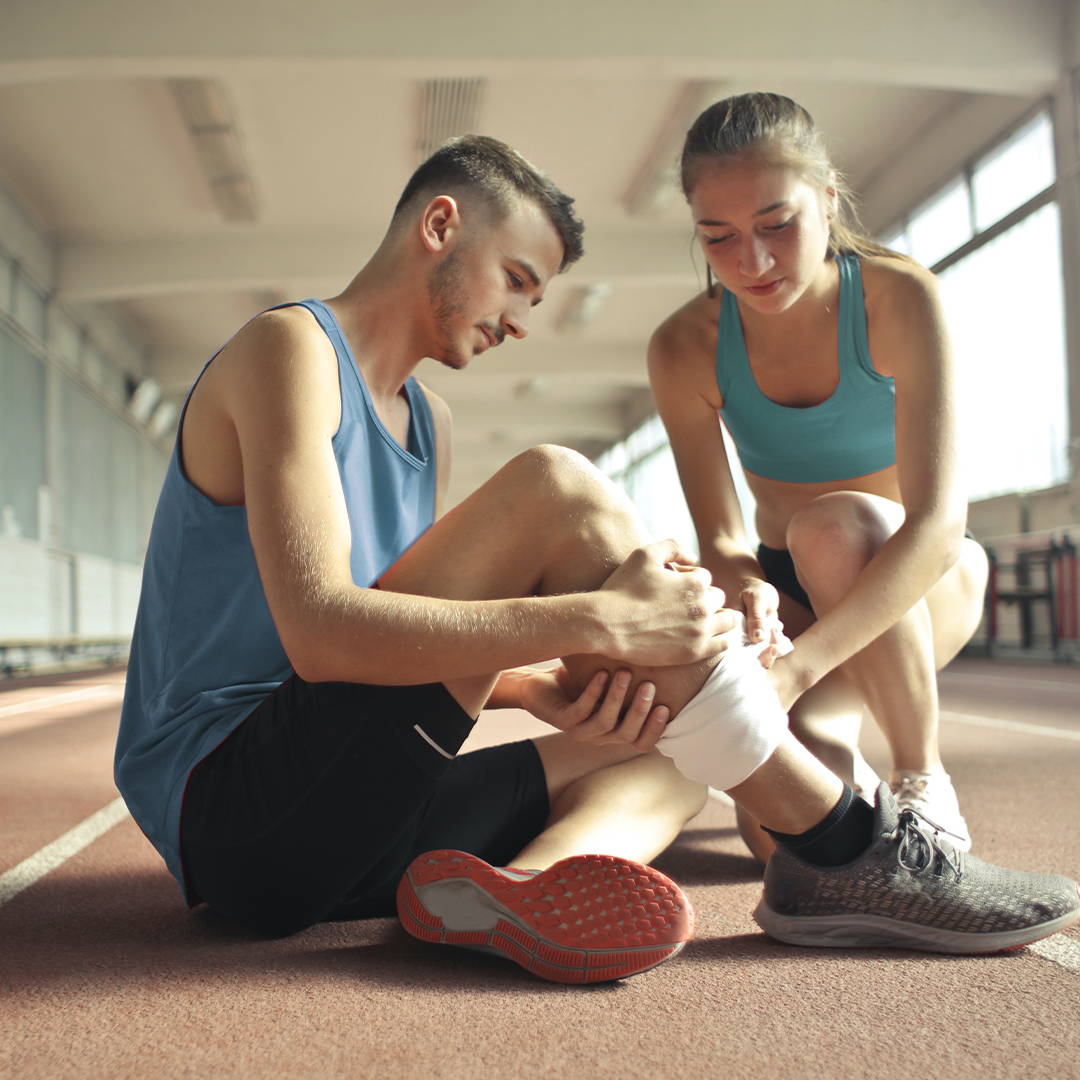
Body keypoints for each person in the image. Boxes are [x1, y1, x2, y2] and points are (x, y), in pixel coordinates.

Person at [116, 135, 1078, 986]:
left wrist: (538, 687)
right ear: (441, 226)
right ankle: (843, 844)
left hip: (344, 831)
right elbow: (324, 637)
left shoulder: (429, 423)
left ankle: (520, 892)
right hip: (238, 816)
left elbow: (386, 656)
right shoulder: (290, 350)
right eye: (518, 281)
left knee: (672, 742)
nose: (522, 321)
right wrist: (595, 623)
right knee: (555, 485)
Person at [648, 92, 990, 860]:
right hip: (793, 593)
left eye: (777, 225)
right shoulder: (684, 346)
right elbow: (725, 535)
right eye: (718, 236)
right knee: (783, 841)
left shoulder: (901, 298)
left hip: (918, 576)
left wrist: (798, 670)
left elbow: (937, 526)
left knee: (834, 526)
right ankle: (844, 761)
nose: (752, 261)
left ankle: (920, 776)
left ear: (828, 199)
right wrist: (749, 589)